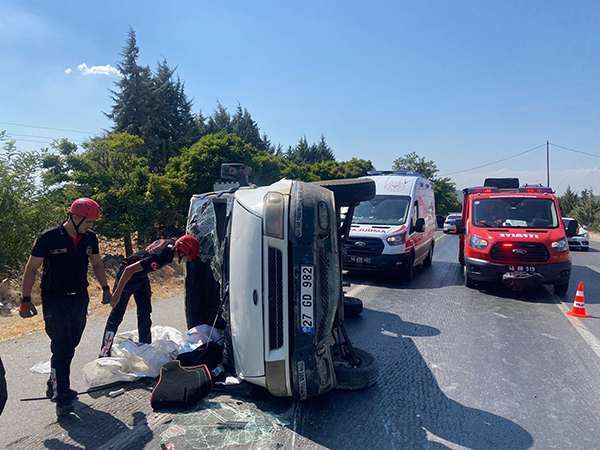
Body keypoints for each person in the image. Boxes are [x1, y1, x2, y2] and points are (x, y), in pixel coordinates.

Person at [20, 198, 112, 417]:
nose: (91, 226)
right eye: (88, 221)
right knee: (61, 346)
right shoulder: (48, 238)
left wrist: (105, 288)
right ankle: (62, 396)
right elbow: (31, 268)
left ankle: (54, 380)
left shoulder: (89, 239)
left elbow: (97, 263)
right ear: (75, 217)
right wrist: (25, 299)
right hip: (54, 299)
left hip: (79, 298)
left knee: (71, 344)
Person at [99, 235, 200, 358]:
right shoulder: (159, 258)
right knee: (116, 315)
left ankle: (145, 346)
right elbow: (129, 270)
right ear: (183, 251)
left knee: (145, 311)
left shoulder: (170, 245)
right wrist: (117, 295)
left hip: (141, 276)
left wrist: (164, 266)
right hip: (128, 276)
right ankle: (104, 351)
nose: (188, 261)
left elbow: (151, 250)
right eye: (188, 258)